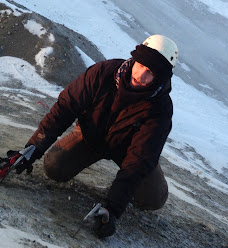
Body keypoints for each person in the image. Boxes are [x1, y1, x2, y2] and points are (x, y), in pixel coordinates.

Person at [11, 34, 178, 238]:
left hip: (128, 152)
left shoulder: (160, 109)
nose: (141, 75)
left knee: (153, 200)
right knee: (54, 167)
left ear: (159, 78)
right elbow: (64, 109)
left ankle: (119, 190)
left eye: (151, 73)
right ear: (135, 59)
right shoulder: (103, 73)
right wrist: (32, 149)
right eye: (141, 65)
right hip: (90, 137)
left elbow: (139, 159)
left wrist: (112, 208)